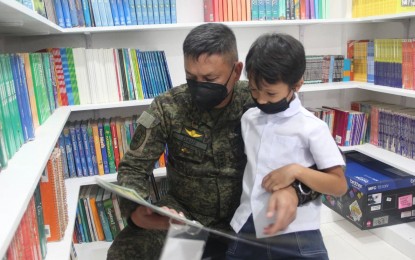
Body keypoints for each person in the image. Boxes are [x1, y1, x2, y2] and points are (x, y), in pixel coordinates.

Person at [108, 24, 315, 260]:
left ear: (236, 71)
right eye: (191, 77)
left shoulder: (261, 99)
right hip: (183, 219)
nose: (199, 85)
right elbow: (133, 168)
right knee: (125, 253)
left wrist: (294, 192)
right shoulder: (168, 106)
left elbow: (317, 165)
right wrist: (136, 209)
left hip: (246, 218)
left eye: (210, 78)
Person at [226, 33, 348, 260]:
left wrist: (296, 170)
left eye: (271, 93)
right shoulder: (248, 119)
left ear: (298, 84)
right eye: (254, 90)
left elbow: (339, 184)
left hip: (296, 231)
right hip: (247, 223)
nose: (261, 100)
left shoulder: (313, 127)